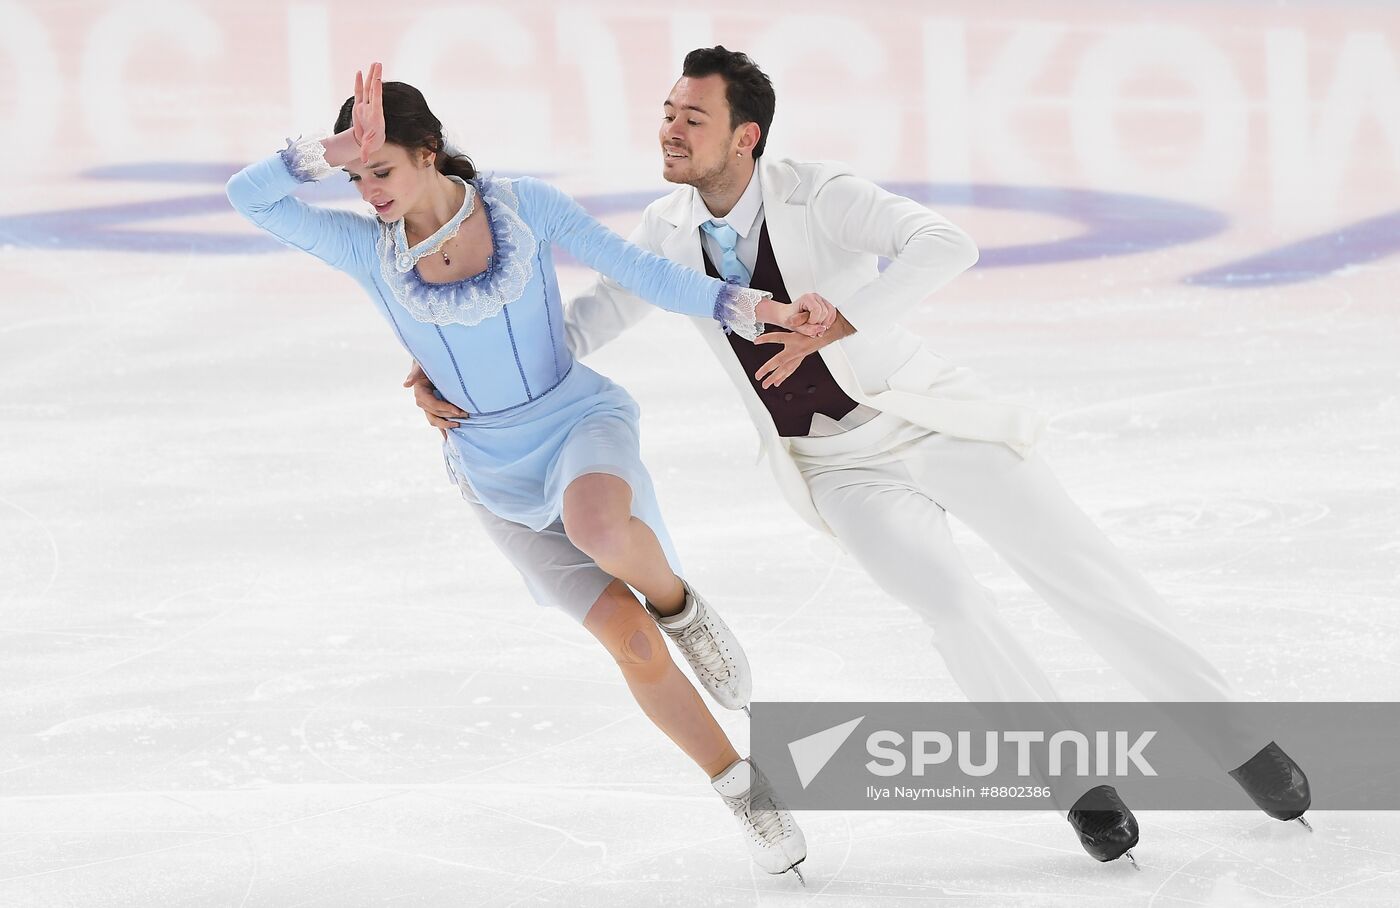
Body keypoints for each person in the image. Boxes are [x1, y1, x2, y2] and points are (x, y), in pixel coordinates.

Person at [407, 46, 1313, 866]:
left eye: (694, 117)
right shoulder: (664, 228)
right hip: (833, 467)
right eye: (669, 112)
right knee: (951, 606)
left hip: (926, 420)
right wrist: (469, 365)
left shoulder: (818, 191)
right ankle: (1076, 787)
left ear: (745, 135)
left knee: (1082, 573)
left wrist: (846, 316)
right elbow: (596, 316)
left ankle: (1239, 743)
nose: (671, 130)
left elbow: (943, 243)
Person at [226, 62, 812, 881]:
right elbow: (246, 197)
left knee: (599, 526)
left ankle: (684, 608)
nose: (369, 192)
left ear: (430, 152)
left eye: (382, 169)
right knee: (628, 641)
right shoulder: (369, 251)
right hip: (489, 467)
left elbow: (639, 271)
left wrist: (752, 309)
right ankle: (740, 786)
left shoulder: (521, 208)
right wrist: (332, 149)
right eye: (356, 177)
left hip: (574, 419)